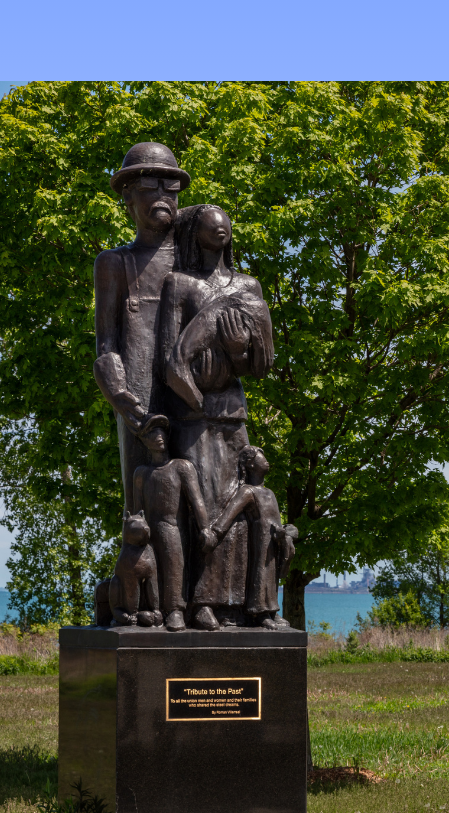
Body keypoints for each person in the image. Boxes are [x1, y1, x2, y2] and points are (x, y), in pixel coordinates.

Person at [159, 204, 276, 627]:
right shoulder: (180, 284)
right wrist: (193, 396)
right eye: (210, 219)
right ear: (195, 230)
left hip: (232, 411)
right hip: (193, 414)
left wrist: (240, 351)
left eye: (225, 218)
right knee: (203, 507)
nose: (220, 224)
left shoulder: (249, 286)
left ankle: (243, 603)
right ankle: (197, 602)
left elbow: (264, 365)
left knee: (237, 504)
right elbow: (169, 356)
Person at [92, 141, 190, 511]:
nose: (163, 195)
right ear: (128, 197)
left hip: (198, 401)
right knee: (147, 510)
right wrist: (121, 398)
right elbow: (107, 345)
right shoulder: (115, 264)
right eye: (150, 187)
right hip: (142, 409)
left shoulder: (198, 260)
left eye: (171, 187)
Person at [131, 415, 214, 631]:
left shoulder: (181, 467)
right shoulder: (141, 474)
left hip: (173, 528)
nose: (158, 437)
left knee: (173, 564)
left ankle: (175, 610)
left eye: (161, 432)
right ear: (143, 440)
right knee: (149, 569)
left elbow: (197, 502)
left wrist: (205, 528)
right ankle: (151, 610)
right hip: (148, 531)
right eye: (151, 433)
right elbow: (137, 511)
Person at [202, 446, 297, 630]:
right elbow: (228, 515)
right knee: (260, 573)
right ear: (251, 464)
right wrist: (216, 533)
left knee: (272, 575)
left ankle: (271, 610)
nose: (266, 460)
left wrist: (286, 531)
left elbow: (275, 519)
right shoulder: (247, 492)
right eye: (262, 457)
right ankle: (259, 613)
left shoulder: (269, 492)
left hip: (274, 540)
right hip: (259, 540)